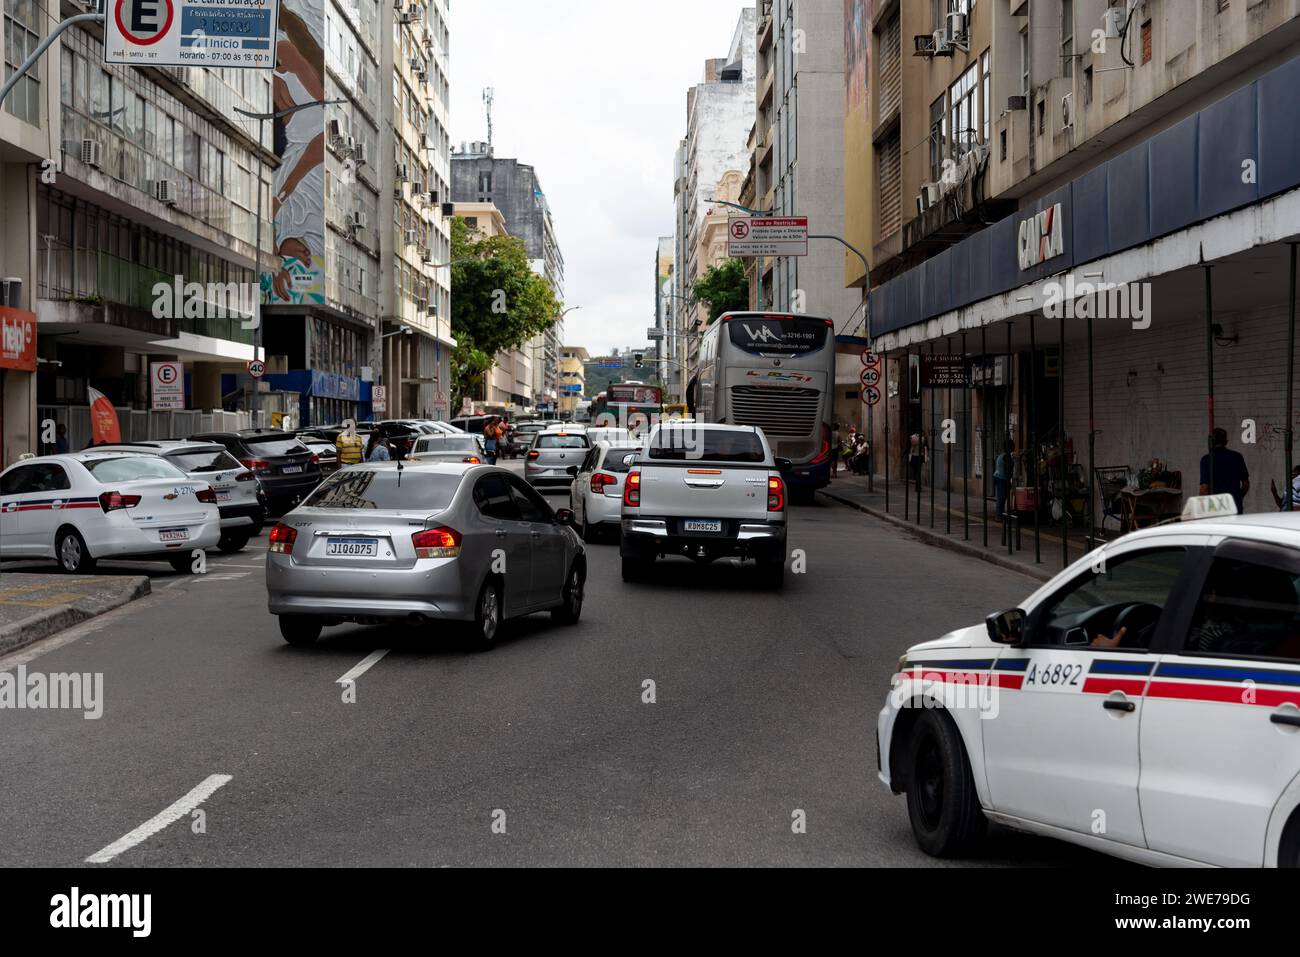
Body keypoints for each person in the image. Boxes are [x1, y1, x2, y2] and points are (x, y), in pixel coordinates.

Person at [1199, 427, 1250, 513]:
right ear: (1226, 442)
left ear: (1211, 442)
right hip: (1235, 507)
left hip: (1214, 509)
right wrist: (1237, 497)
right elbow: (1246, 484)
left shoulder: (1206, 459)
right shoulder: (1237, 457)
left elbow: (1204, 488)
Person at [994, 439, 1015, 521]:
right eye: (1013, 446)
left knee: (1000, 497)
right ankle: (999, 516)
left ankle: (999, 515)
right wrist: (1009, 480)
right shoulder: (1007, 456)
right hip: (1002, 479)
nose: (1014, 447)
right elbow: (1007, 470)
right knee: (1001, 498)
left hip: (998, 477)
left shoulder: (1001, 455)